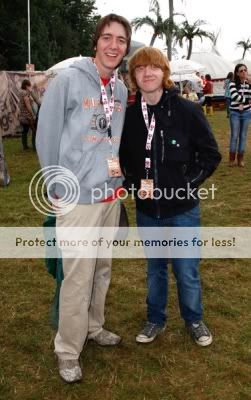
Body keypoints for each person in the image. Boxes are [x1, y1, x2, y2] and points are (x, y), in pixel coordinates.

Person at [36, 14, 132, 383]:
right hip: (76, 197)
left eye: (120, 40)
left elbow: (113, 140)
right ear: (96, 43)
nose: (113, 45)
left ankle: (93, 326)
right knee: (77, 274)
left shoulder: (120, 90)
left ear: (125, 47)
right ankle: (68, 349)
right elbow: (46, 137)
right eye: (106, 38)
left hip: (109, 194)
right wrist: (56, 186)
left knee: (101, 268)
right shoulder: (68, 80)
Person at [120, 47, 221, 347]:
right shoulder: (129, 117)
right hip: (148, 210)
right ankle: (155, 319)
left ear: (164, 73)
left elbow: (210, 155)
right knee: (155, 270)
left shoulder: (188, 111)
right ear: (134, 77)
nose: (147, 73)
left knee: (186, 269)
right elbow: (122, 157)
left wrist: (188, 184)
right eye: (140, 69)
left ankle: (194, 320)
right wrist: (128, 181)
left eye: (153, 67)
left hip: (182, 210)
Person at [228, 63, 251, 167]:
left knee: (243, 136)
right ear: (237, 73)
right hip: (235, 113)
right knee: (234, 136)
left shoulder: (248, 83)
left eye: (245, 70)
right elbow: (235, 96)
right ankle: (232, 159)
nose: (244, 72)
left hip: (246, 113)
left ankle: (240, 159)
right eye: (241, 71)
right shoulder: (232, 83)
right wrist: (247, 101)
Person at [19, 79, 38, 150]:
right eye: (29, 85)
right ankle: (35, 146)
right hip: (27, 115)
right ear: (26, 85)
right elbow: (28, 105)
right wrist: (32, 114)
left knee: (25, 130)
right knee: (34, 130)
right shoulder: (25, 93)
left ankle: (25, 146)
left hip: (22, 114)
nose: (30, 86)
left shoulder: (21, 92)